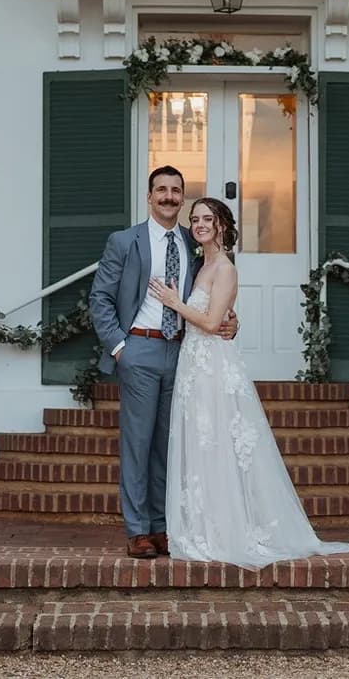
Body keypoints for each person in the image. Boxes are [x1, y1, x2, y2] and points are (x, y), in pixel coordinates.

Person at [150, 197, 349, 568]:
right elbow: (220, 315)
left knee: (218, 442)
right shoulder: (201, 265)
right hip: (193, 364)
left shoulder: (225, 268)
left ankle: (227, 532)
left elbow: (213, 323)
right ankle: (205, 526)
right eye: (194, 218)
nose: (198, 224)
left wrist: (173, 302)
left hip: (212, 364)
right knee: (202, 443)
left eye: (206, 219)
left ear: (221, 226)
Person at [87, 166, 238, 558]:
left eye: (176, 191)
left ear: (182, 197)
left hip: (184, 352)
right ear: (149, 196)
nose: (169, 196)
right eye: (162, 190)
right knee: (138, 442)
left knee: (170, 444)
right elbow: (100, 298)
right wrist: (120, 348)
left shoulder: (194, 240)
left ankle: (162, 526)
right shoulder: (124, 241)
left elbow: (213, 290)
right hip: (140, 348)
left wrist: (230, 320)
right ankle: (138, 530)